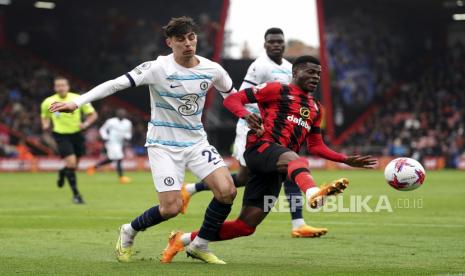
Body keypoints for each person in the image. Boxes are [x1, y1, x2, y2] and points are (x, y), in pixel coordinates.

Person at [49, 16, 237, 264]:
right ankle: (129, 230)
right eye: (180, 39)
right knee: (171, 208)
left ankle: (200, 244)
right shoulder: (157, 68)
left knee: (227, 191)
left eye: (191, 37)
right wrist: (77, 102)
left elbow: (233, 96)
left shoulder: (212, 69)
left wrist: (252, 115)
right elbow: (115, 84)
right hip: (163, 145)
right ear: (169, 42)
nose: (188, 44)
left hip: (196, 142)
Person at [160, 55, 377, 263]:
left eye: (319, 74)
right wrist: (246, 115)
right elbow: (233, 100)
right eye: (311, 72)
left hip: (277, 167)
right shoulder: (276, 89)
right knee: (296, 159)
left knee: (246, 226)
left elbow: (315, 145)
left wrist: (345, 159)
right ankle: (312, 192)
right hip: (259, 149)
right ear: (295, 72)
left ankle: (184, 240)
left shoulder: (316, 108)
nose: (316, 77)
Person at [181, 28, 327, 238]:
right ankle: (193, 189)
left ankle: (298, 223)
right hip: (254, 129)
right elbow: (242, 95)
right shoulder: (259, 66)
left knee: (288, 168)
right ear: (265, 44)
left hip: (277, 131)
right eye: (272, 42)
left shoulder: (289, 67)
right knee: (245, 176)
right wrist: (250, 120)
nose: (276, 45)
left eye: (280, 42)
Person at [40, 76, 98, 204]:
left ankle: (62, 172)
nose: (61, 88)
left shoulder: (77, 98)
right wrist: (45, 124)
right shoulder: (48, 102)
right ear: (55, 88)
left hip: (77, 134)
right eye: (58, 86)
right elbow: (44, 116)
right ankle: (76, 195)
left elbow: (93, 114)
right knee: (71, 164)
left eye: (63, 85)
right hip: (61, 135)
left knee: (73, 166)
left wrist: (86, 124)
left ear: (68, 86)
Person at [87, 109, 133, 184]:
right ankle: (121, 178)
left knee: (111, 159)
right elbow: (103, 129)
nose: (121, 115)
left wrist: (127, 137)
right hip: (111, 142)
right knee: (119, 157)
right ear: (117, 115)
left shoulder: (128, 123)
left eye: (123, 114)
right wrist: (105, 137)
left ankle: (93, 167)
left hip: (120, 143)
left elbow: (128, 133)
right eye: (120, 114)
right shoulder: (111, 121)